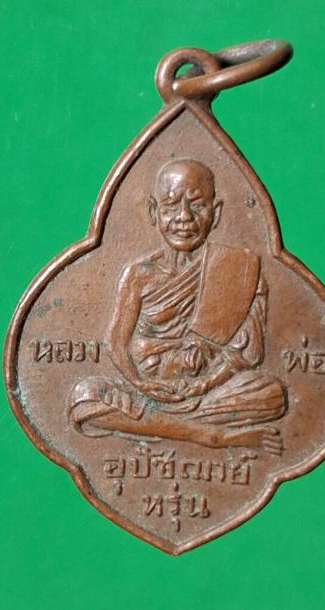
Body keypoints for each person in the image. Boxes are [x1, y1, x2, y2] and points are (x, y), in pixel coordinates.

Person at [68, 159, 287, 453]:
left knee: (272, 394)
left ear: (216, 212)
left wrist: (204, 384)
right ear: (153, 212)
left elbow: (245, 353)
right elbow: (116, 343)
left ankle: (161, 425)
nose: (184, 217)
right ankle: (206, 434)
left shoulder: (239, 269)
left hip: (207, 391)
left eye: (197, 205)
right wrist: (139, 383)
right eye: (171, 206)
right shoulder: (139, 274)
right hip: (145, 390)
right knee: (85, 396)